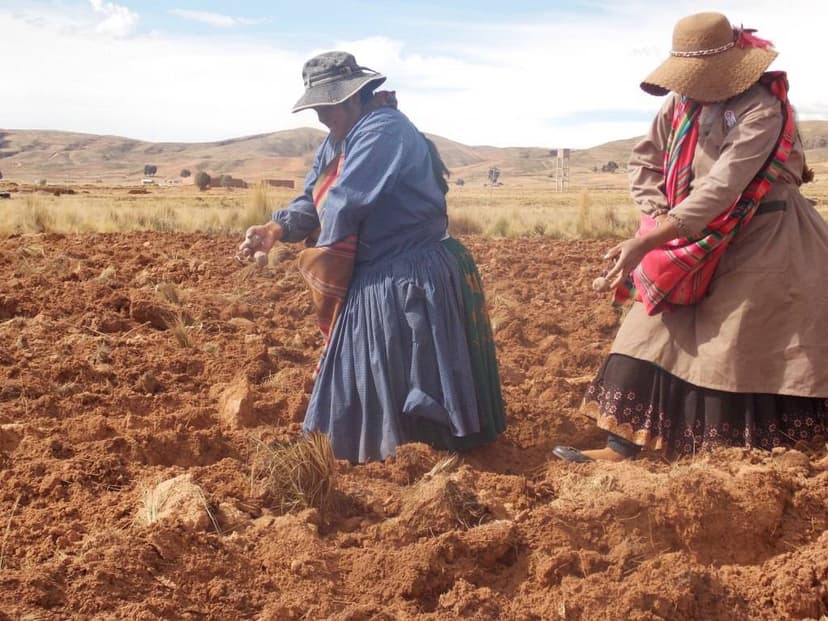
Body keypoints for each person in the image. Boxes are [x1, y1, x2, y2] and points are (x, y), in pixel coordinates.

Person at [553, 12, 828, 463]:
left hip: (766, 235)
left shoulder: (762, 109)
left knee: (737, 343)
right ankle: (622, 447)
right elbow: (643, 163)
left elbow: (725, 186)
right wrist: (656, 216)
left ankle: (741, 457)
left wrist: (651, 240)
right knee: (649, 327)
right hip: (686, 232)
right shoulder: (680, 105)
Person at [238, 51, 506, 463]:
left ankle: (422, 457)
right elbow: (315, 197)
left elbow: (345, 202)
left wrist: (312, 245)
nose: (323, 117)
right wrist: (275, 229)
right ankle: (383, 455)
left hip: (410, 269)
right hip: (378, 268)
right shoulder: (337, 140)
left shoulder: (384, 129)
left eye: (329, 106)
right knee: (361, 371)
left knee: (398, 371)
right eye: (318, 108)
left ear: (356, 96)